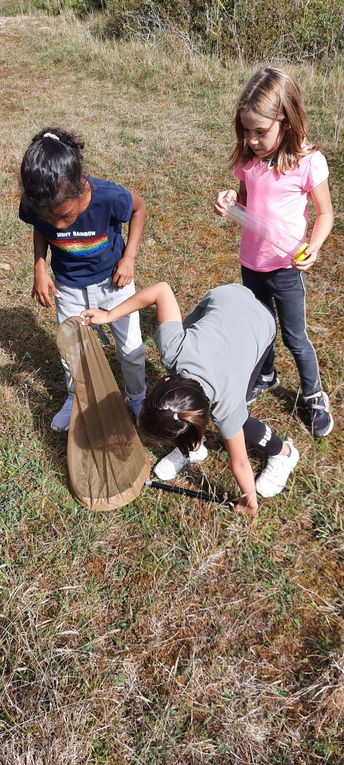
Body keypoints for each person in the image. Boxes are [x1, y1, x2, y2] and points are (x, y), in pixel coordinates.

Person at [81, 281, 300, 515]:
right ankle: (193, 447)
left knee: (241, 421)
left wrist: (250, 502)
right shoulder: (173, 348)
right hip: (228, 298)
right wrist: (109, 315)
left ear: (165, 380)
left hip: (260, 321)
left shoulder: (227, 403)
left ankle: (284, 452)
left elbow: (241, 463)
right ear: (164, 382)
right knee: (194, 412)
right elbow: (162, 290)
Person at [214, 66, 334, 438]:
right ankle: (265, 374)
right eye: (246, 131)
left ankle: (313, 395)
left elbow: (326, 213)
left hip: (286, 266)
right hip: (252, 263)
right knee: (260, 328)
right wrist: (232, 198)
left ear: (286, 119)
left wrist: (313, 247)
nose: (251, 139)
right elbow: (247, 197)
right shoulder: (248, 160)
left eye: (260, 131)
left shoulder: (308, 161)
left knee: (293, 336)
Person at [19, 127, 146, 430]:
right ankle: (76, 397)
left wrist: (128, 259)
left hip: (114, 285)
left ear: (78, 188)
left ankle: (138, 397)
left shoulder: (109, 197)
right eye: (51, 219)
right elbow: (40, 227)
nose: (59, 226)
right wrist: (40, 266)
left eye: (65, 216)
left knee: (130, 349)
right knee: (72, 348)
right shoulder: (36, 203)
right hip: (68, 288)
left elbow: (139, 208)